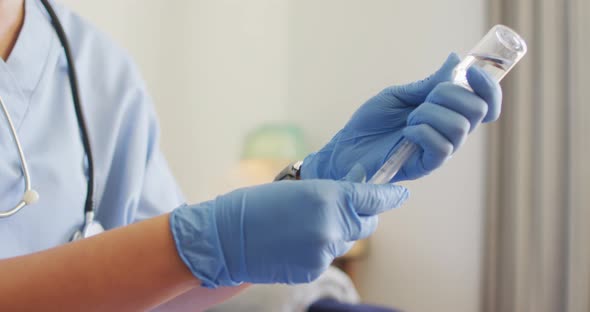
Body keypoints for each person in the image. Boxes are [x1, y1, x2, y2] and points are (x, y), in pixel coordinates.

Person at [0, 0, 501, 311]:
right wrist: (214, 240)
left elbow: (170, 291)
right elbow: (192, 249)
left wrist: (312, 178)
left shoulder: (97, 71)